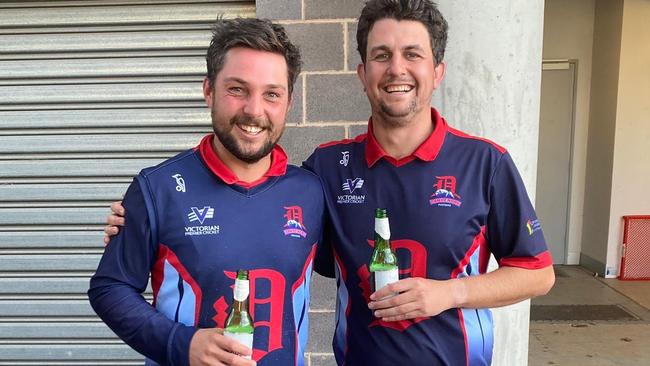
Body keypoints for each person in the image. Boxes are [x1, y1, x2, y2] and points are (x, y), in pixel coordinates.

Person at [105, 1, 555, 365]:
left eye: (412, 54)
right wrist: (144, 216)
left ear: (437, 71)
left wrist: (450, 293)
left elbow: (539, 273)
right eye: (381, 55)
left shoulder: (485, 162)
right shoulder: (325, 171)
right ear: (363, 75)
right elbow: (249, 211)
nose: (396, 69)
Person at [89, 18, 325, 366]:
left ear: (289, 103)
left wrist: (438, 291)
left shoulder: (312, 191)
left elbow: (359, 262)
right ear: (208, 91)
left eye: (271, 94)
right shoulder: (158, 189)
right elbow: (109, 289)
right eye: (237, 89)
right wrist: (180, 343)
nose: (254, 110)